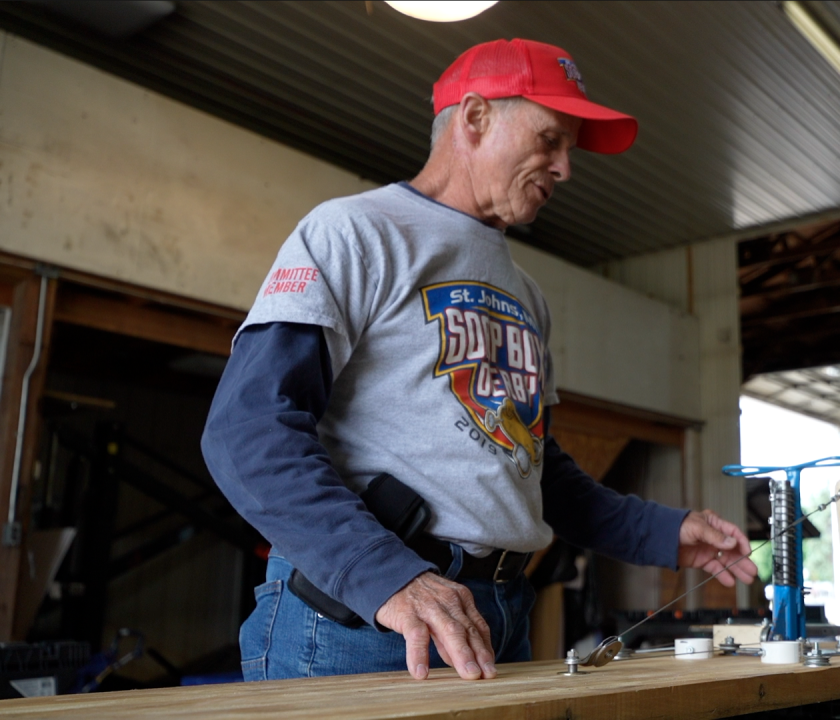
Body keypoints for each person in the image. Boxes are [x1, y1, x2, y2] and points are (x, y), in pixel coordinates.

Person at [201, 38, 757, 683]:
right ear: (474, 117)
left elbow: (533, 468)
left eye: (570, 150)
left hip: (496, 610)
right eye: (550, 140)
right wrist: (387, 577)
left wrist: (661, 532)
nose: (565, 168)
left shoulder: (528, 295)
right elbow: (248, 431)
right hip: (366, 616)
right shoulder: (354, 232)